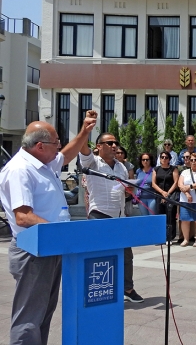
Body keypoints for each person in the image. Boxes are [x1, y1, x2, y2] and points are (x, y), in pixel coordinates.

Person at [0, 112, 95, 344]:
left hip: (50, 246)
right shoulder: (20, 170)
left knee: (43, 313)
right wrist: (62, 232)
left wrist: (85, 131)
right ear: (40, 145)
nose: (59, 147)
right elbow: (23, 216)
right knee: (29, 317)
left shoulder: (42, 163)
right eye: (56, 142)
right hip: (33, 251)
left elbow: (66, 154)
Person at [81, 131, 144, 303]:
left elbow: (119, 189)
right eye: (109, 143)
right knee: (100, 256)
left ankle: (127, 289)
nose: (114, 145)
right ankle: (99, 292)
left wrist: (128, 190)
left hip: (119, 216)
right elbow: (82, 148)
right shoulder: (92, 162)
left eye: (115, 142)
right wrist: (86, 128)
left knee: (126, 255)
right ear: (99, 147)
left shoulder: (121, 167)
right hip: (99, 215)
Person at [152, 150, 179, 242]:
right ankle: (160, 237)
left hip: (170, 195)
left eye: (166, 157)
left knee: (170, 217)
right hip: (159, 195)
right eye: (162, 157)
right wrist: (162, 193)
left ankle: (170, 238)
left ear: (169, 159)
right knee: (160, 217)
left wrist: (167, 193)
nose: (164, 159)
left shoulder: (173, 169)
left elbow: (175, 182)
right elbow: (153, 183)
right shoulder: (156, 169)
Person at [115, 146, 135, 216]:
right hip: (115, 193)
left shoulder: (128, 165)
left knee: (127, 214)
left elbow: (131, 180)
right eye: (117, 153)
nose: (120, 155)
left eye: (121, 153)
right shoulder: (110, 164)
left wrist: (128, 192)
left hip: (126, 193)